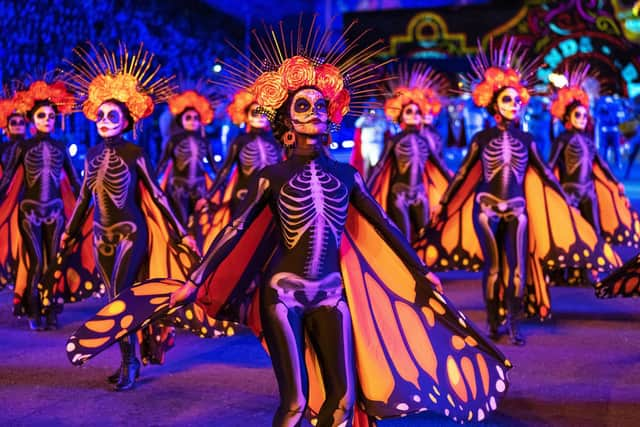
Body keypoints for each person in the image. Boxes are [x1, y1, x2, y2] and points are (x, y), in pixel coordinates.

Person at [167, 19, 512, 426]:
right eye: (302, 106)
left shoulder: (347, 177)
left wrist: (421, 272)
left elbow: (384, 224)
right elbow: (236, 230)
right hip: (282, 295)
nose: (313, 112)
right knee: (294, 404)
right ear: (286, 120)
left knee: (345, 401)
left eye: (319, 106)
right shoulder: (273, 177)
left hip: (333, 294)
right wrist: (195, 281)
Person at [423, 38, 620, 345]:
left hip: (517, 207)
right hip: (486, 208)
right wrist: (443, 206)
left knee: (516, 269)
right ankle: (492, 323)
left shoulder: (527, 140)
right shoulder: (482, 137)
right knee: (493, 268)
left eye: (517, 100)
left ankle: (514, 323)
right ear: (493, 103)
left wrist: (565, 204)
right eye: (507, 100)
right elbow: (462, 175)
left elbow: (545, 174)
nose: (514, 105)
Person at [62, 42, 199, 391]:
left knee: (122, 297)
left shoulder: (136, 151)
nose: (106, 122)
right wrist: (70, 232)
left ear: (126, 120)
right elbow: (83, 198)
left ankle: (130, 364)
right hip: (100, 234)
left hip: (129, 233)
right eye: (101, 116)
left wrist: (182, 232)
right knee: (112, 298)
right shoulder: (92, 154)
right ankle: (130, 359)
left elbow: (156, 193)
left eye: (113, 116)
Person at [0, 78, 89, 331]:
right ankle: (33, 308)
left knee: (53, 262)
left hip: (56, 211)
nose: (47, 120)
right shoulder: (24, 147)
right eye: (42, 115)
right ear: (32, 119)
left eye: (51, 116)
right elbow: (7, 180)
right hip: (29, 211)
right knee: (36, 262)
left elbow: (74, 181)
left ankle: (50, 310)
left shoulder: (60, 146)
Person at [548, 63, 639, 280]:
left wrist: (615, 182)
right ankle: (565, 271)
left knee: (593, 231)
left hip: (589, 192)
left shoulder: (589, 140)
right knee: (568, 231)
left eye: (583, 115)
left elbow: (602, 165)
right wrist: (547, 186)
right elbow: (550, 165)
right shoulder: (562, 139)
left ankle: (589, 270)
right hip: (568, 191)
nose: (581, 119)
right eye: (577, 115)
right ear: (567, 118)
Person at [367, 64, 451, 243]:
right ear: (401, 115)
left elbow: (439, 165)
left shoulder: (426, 141)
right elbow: (381, 166)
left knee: (424, 237)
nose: (414, 115)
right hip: (399, 194)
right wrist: (365, 190)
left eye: (417, 112)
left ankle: (422, 270)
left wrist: (456, 186)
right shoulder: (395, 140)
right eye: (409, 111)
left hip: (420, 193)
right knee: (403, 239)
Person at [157, 85, 219, 250]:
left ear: (201, 120)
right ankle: (180, 258)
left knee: (200, 225)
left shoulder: (205, 141)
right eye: (188, 118)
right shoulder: (174, 140)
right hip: (178, 187)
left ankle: (198, 257)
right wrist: (153, 185)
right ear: (181, 120)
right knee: (181, 223)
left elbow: (214, 167)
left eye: (195, 118)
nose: (192, 121)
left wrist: (219, 186)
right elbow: (162, 163)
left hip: (200, 188)